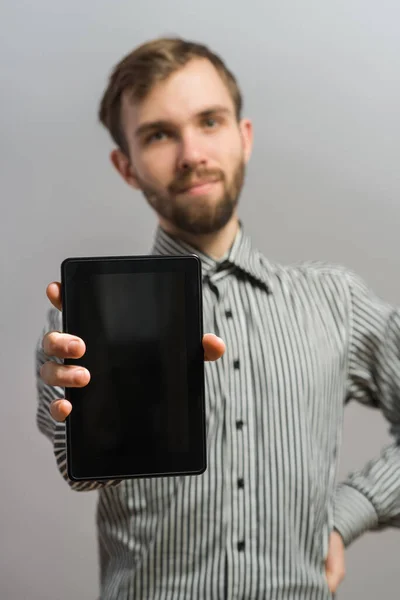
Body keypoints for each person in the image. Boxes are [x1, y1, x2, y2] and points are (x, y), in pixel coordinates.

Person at [36, 37, 400, 600]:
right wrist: (68, 395)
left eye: (210, 121)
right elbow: (79, 467)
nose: (191, 153)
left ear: (243, 137)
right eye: (158, 134)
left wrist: (349, 511)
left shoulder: (336, 300)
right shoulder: (91, 317)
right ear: (126, 166)